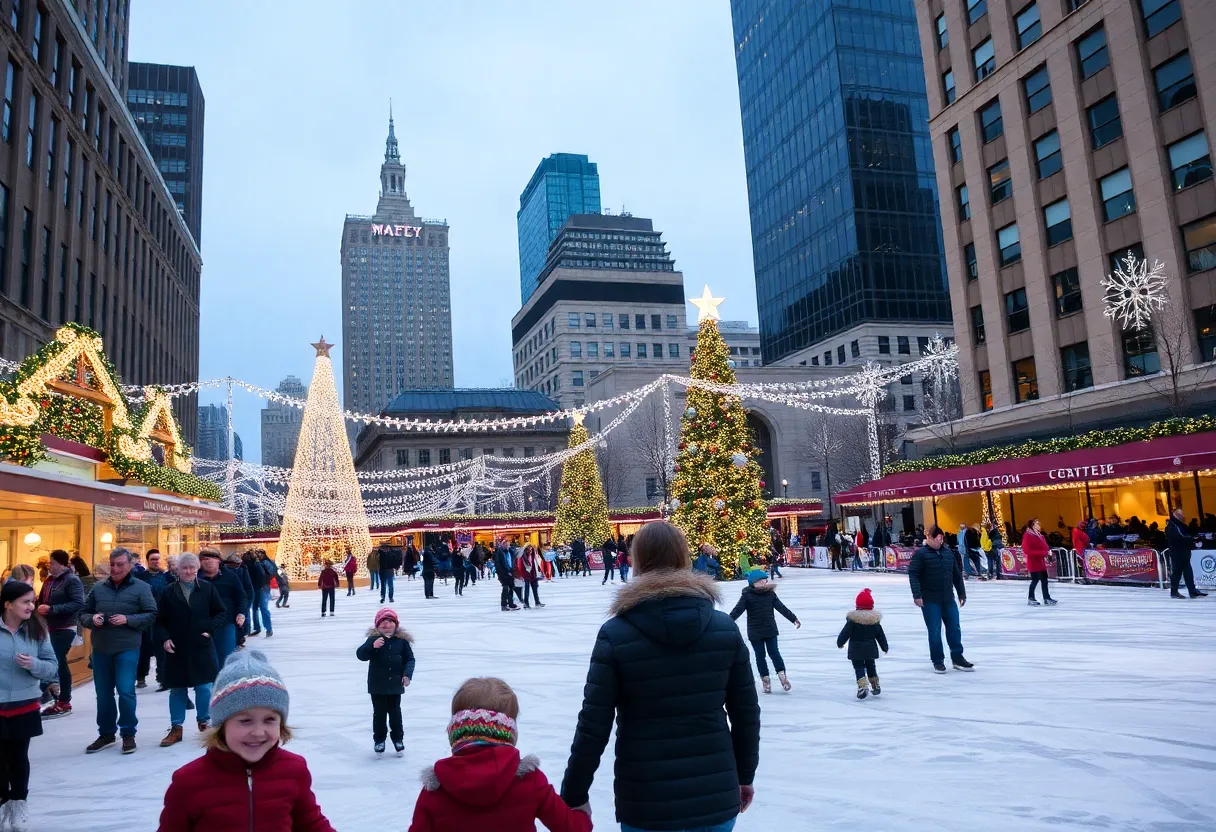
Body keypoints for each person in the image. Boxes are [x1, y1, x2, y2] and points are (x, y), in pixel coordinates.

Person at [561, 521, 761, 831]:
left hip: (646, 800)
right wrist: (744, 776)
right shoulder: (724, 629)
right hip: (714, 796)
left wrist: (574, 792)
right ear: (684, 557)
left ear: (636, 559)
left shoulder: (615, 634)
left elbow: (593, 723)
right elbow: (746, 713)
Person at [157, 650, 335, 831]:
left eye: (269, 720)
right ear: (221, 724)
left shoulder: (294, 769)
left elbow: (310, 823)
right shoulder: (188, 781)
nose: (258, 732)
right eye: (245, 721)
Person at [408, 677, 590, 831]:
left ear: (455, 732)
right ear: (510, 733)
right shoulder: (530, 781)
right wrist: (582, 813)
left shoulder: (435, 790)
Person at [78, 548, 158, 754]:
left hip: (127, 647)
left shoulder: (141, 588)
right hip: (101, 647)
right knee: (103, 694)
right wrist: (91, 619)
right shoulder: (98, 588)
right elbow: (83, 613)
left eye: (120, 565)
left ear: (130, 565)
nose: (115, 568)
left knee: (125, 691)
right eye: (112, 564)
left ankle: (128, 733)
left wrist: (128, 619)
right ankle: (106, 733)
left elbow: (151, 614)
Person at [0, 581, 58, 831]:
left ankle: (18, 804)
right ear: (8, 604)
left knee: (18, 758)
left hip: (24, 704)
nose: (31, 606)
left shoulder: (37, 629)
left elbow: (52, 666)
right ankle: (2, 803)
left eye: (32, 601)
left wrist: (33, 664)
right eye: (26, 601)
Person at [156, 553, 227, 748]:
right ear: (177, 570)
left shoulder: (206, 588)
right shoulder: (169, 591)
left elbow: (220, 611)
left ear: (197, 569)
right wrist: (165, 639)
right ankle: (176, 728)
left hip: (200, 646)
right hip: (176, 648)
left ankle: (205, 723)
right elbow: (159, 620)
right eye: (184, 568)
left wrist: (210, 630)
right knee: (177, 689)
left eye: (192, 568)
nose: (188, 571)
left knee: (204, 687)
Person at [908, 526, 973, 674]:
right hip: (930, 600)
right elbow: (913, 574)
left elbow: (956, 575)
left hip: (948, 598)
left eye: (942, 539)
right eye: (937, 539)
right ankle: (938, 661)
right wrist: (917, 595)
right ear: (929, 538)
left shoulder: (948, 553)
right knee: (935, 630)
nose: (940, 541)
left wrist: (962, 593)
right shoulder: (921, 554)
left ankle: (957, 657)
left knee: (954, 628)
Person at [729, 569, 801, 694]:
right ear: (754, 582)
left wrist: (793, 618)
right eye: (761, 580)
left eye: (765, 579)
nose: (765, 581)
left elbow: (781, 608)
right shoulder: (747, 595)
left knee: (774, 653)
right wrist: (728, 621)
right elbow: (737, 610)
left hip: (770, 629)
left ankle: (782, 675)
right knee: (760, 655)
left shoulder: (770, 594)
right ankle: (765, 679)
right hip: (755, 631)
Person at [356, 607, 415, 756]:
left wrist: (407, 675)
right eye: (383, 622)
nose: (387, 625)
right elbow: (361, 655)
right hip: (377, 685)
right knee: (379, 714)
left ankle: (398, 739)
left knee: (395, 713)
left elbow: (410, 659)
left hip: (395, 684)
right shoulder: (373, 639)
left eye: (390, 622)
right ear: (377, 625)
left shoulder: (402, 641)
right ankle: (379, 740)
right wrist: (372, 646)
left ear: (396, 625)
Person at [36, 550, 84, 719]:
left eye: (53, 563)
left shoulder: (71, 580)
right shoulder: (49, 580)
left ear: (62, 564)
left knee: (56, 660)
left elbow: (79, 603)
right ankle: (56, 698)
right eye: (50, 562)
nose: (50, 565)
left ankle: (62, 699)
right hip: (48, 627)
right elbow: (42, 599)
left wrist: (53, 609)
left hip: (66, 627)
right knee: (54, 660)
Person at [198, 549, 247, 671]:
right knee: (206, 661)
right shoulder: (195, 578)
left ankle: (225, 685)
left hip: (226, 622)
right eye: (204, 558)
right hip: (203, 625)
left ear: (219, 560)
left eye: (212, 557)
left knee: (226, 658)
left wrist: (241, 613)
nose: (208, 561)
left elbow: (241, 596)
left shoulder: (230, 577)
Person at [837, 588, 888, 700]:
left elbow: (845, 633)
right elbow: (880, 635)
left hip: (856, 650)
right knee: (871, 666)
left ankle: (862, 686)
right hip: (870, 649)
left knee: (858, 667)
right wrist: (885, 647)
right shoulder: (874, 621)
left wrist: (840, 642)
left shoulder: (852, 621)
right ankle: (875, 684)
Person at [1167, 507, 1207, 599]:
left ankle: (1192, 590)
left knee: (1187, 570)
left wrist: (1196, 534)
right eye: (1180, 515)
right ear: (1175, 515)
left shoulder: (1180, 525)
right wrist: (1192, 539)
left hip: (1184, 552)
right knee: (1177, 572)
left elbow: (1188, 532)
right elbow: (1179, 537)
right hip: (1177, 552)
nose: (1182, 516)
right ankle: (1174, 592)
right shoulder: (1171, 526)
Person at [1020, 518, 1056, 606]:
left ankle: (1046, 598)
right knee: (1035, 580)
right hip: (1033, 562)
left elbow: (1044, 545)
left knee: (1044, 580)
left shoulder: (1039, 535)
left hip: (1041, 562)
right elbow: (1027, 550)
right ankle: (1031, 598)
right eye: (1036, 523)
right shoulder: (1028, 535)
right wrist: (1043, 553)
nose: (1039, 525)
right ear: (1032, 525)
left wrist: (1048, 551)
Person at [495, 544, 520, 612]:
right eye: (506, 545)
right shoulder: (500, 553)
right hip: (504, 574)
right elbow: (499, 565)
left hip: (510, 572)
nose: (507, 546)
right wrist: (505, 572)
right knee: (505, 589)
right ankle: (504, 605)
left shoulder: (510, 552)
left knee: (511, 588)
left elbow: (512, 561)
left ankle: (511, 603)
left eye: (508, 545)